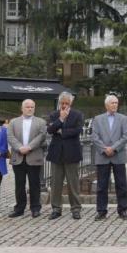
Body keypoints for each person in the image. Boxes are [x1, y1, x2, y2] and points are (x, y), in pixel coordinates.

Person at [91, 94, 127, 220]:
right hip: (103, 156)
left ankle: (122, 210)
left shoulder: (123, 118)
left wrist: (113, 148)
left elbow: (126, 136)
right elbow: (95, 137)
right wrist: (104, 149)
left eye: (116, 103)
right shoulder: (97, 119)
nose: (115, 105)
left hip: (118, 155)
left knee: (121, 185)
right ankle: (102, 211)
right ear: (106, 105)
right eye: (112, 103)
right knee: (102, 186)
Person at [46, 92, 84, 220]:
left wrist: (61, 131)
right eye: (62, 103)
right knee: (56, 183)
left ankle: (76, 209)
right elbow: (50, 130)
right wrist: (61, 119)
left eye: (66, 103)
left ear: (70, 103)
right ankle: (56, 209)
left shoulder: (77, 114)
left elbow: (78, 130)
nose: (64, 105)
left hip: (72, 153)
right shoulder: (54, 114)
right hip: (56, 153)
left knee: (73, 183)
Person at [8, 99, 46, 219]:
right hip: (18, 157)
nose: (30, 109)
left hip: (34, 156)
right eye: (27, 107)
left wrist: (29, 147)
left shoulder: (41, 122)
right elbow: (10, 136)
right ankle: (19, 208)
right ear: (22, 108)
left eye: (32, 107)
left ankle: (35, 208)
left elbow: (42, 136)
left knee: (35, 184)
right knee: (19, 184)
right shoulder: (13, 122)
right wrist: (19, 148)